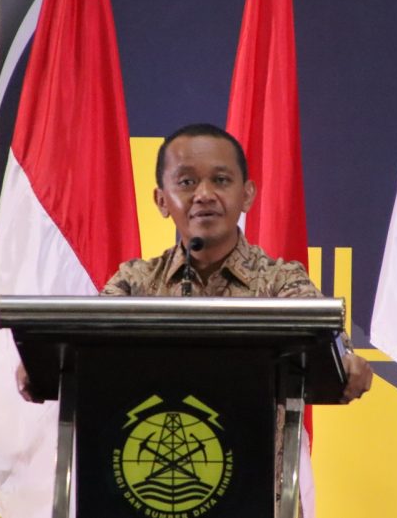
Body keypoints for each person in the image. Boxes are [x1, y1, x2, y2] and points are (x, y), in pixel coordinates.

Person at [99, 123, 373, 402]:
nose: (204, 195)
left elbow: (336, 353)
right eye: (187, 182)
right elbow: (88, 352)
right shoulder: (134, 282)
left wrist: (348, 363)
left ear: (247, 195)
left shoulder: (280, 281)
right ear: (161, 201)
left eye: (220, 180)